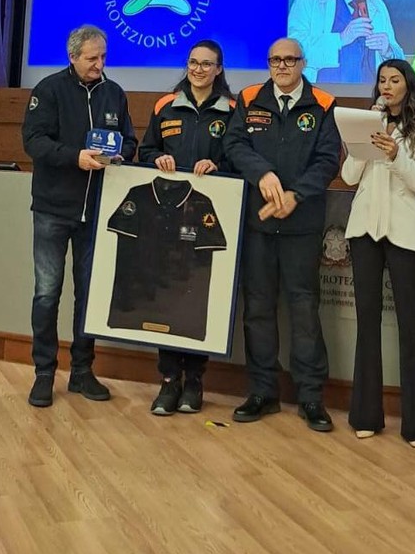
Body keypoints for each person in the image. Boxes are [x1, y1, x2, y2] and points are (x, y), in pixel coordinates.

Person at [223, 37, 342, 432]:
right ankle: (263, 392)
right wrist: (262, 174)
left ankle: (310, 396)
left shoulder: (323, 104)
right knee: (257, 308)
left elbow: (328, 160)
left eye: (290, 60)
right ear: (269, 64)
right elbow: (234, 144)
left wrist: (296, 195)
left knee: (304, 310)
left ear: (303, 63)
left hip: (301, 225)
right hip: (258, 224)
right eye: (275, 60)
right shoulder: (249, 98)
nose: (283, 66)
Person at [21, 24, 138, 408]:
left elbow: (130, 141)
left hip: (97, 211)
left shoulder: (114, 93)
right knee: (47, 293)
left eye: (103, 57)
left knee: (88, 294)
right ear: (72, 57)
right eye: (92, 58)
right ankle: (43, 373)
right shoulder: (49, 90)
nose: (99, 64)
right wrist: (75, 157)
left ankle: (82, 371)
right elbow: (34, 142)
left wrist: (120, 155)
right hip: (53, 210)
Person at [341, 59, 415, 447]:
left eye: (394, 80)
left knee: (410, 323)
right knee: (367, 321)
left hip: (404, 232)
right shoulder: (368, 122)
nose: (386, 86)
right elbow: (349, 177)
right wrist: (364, 140)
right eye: (382, 80)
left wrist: (396, 154)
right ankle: (366, 415)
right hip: (364, 229)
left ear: (408, 86)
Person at [137, 39, 236, 416]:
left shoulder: (233, 110)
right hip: (166, 218)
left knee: (196, 296)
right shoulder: (166, 105)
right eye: (193, 62)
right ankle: (168, 380)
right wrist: (156, 158)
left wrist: (218, 167)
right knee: (166, 294)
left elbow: (240, 158)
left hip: (207, 217)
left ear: (219, 69)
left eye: (207, 64)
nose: (198, 69)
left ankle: (194, 380)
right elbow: (145, 150)